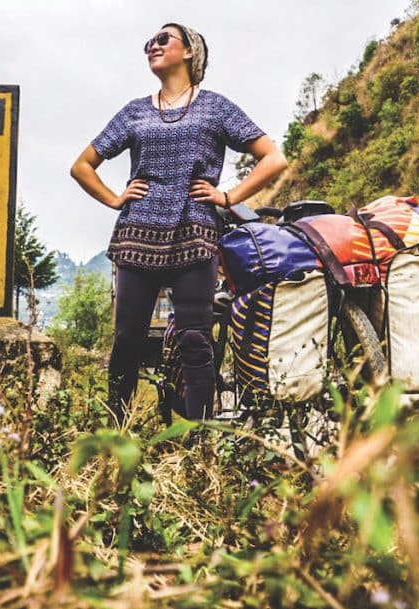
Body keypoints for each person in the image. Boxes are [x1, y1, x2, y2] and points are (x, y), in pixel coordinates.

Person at [70, 22, 288, 424]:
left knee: (194, 340)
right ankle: (116, 435)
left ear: (190, 51)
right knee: (126, 340)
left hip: (195, 232)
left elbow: (273, 158)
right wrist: (115, 198)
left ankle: (199, 441)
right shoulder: (134, 111)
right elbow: (82, 166)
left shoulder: (216, 107)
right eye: (148, 42)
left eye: (163, 39)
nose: (152, 45)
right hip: (138, 236)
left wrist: (228, 196)